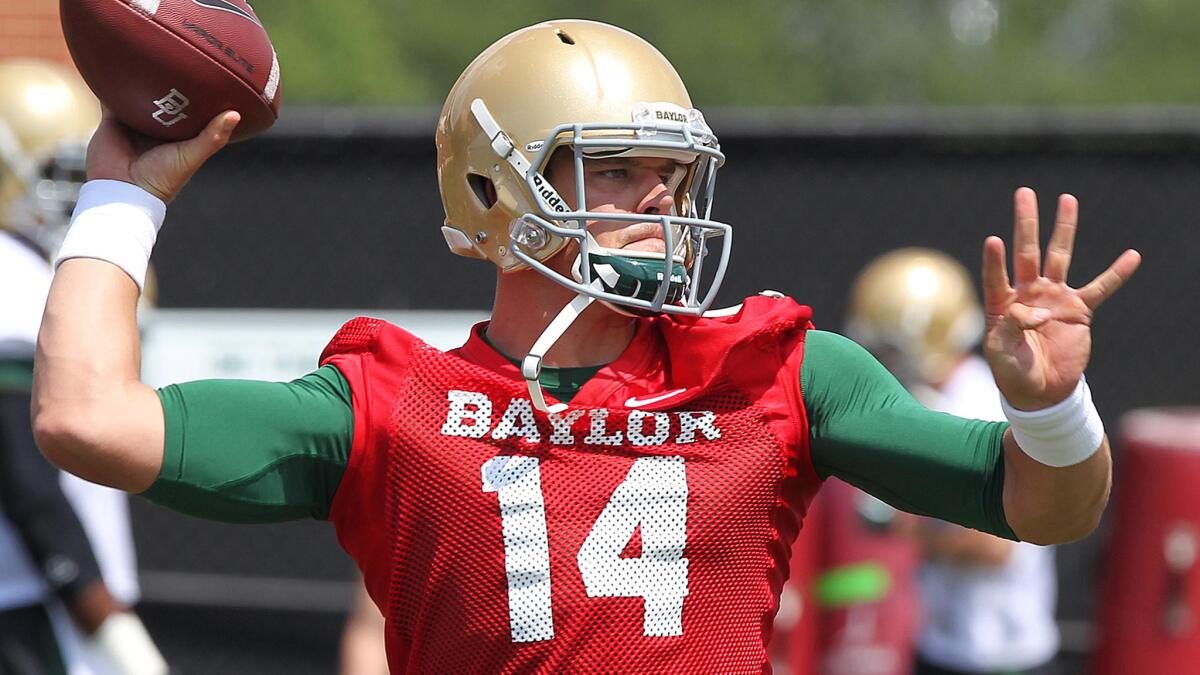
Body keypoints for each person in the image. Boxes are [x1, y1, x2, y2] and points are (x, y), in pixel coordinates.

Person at [31, 19, 1140, 674]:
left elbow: (1048, 509)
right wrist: (123, 202)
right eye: (614, 169)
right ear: (493, 188)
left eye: (670, 174)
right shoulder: (391, 398)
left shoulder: (779, 369)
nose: (658, 201)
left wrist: (1048, 407)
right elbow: (85, 420)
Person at [0, 59, 166, 675]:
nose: (74, 195)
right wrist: (99, 609)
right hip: (29, 601)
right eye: (58, 173)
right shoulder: (13, 277)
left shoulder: (36, 270)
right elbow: (22, 471)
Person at [846, 248, 1060, 675]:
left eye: (888, 346)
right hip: (948, 639)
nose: (881, 361)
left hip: (995, 652)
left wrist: (900, 526)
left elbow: (994, 546)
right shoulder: (940, 399)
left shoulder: (977, 405)